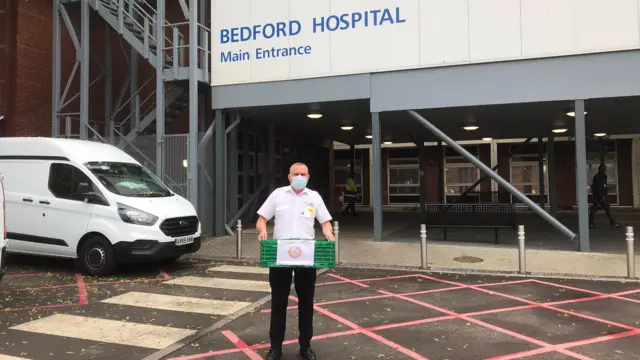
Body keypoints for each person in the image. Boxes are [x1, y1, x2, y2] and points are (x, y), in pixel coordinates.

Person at [256, 162, 335, 360]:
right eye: (296, 173)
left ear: (308, 177)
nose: (299, 176)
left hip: (306, 258)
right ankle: (275, 347)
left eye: (303, 174)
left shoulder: (314, 197)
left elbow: (325, 222)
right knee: (278, 302)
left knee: (306, 303)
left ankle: (305, 347)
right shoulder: (278, 195)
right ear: (289, 177)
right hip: (280, 256)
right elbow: (261, 218)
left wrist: (328, 233)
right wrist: (263, 230)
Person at [588, 165, 619, 229]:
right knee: (594, 210)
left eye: (605, 169)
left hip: (603, 196)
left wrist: (607, 188)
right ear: (599, 169)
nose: (604, 170)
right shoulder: (597, 177)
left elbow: (603, 185)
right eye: (603, 169)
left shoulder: (604, 176)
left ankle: (613, 223)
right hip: (599, 196)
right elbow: (597, 188)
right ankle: (591, 224)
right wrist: (601, 197)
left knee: (606, 210)